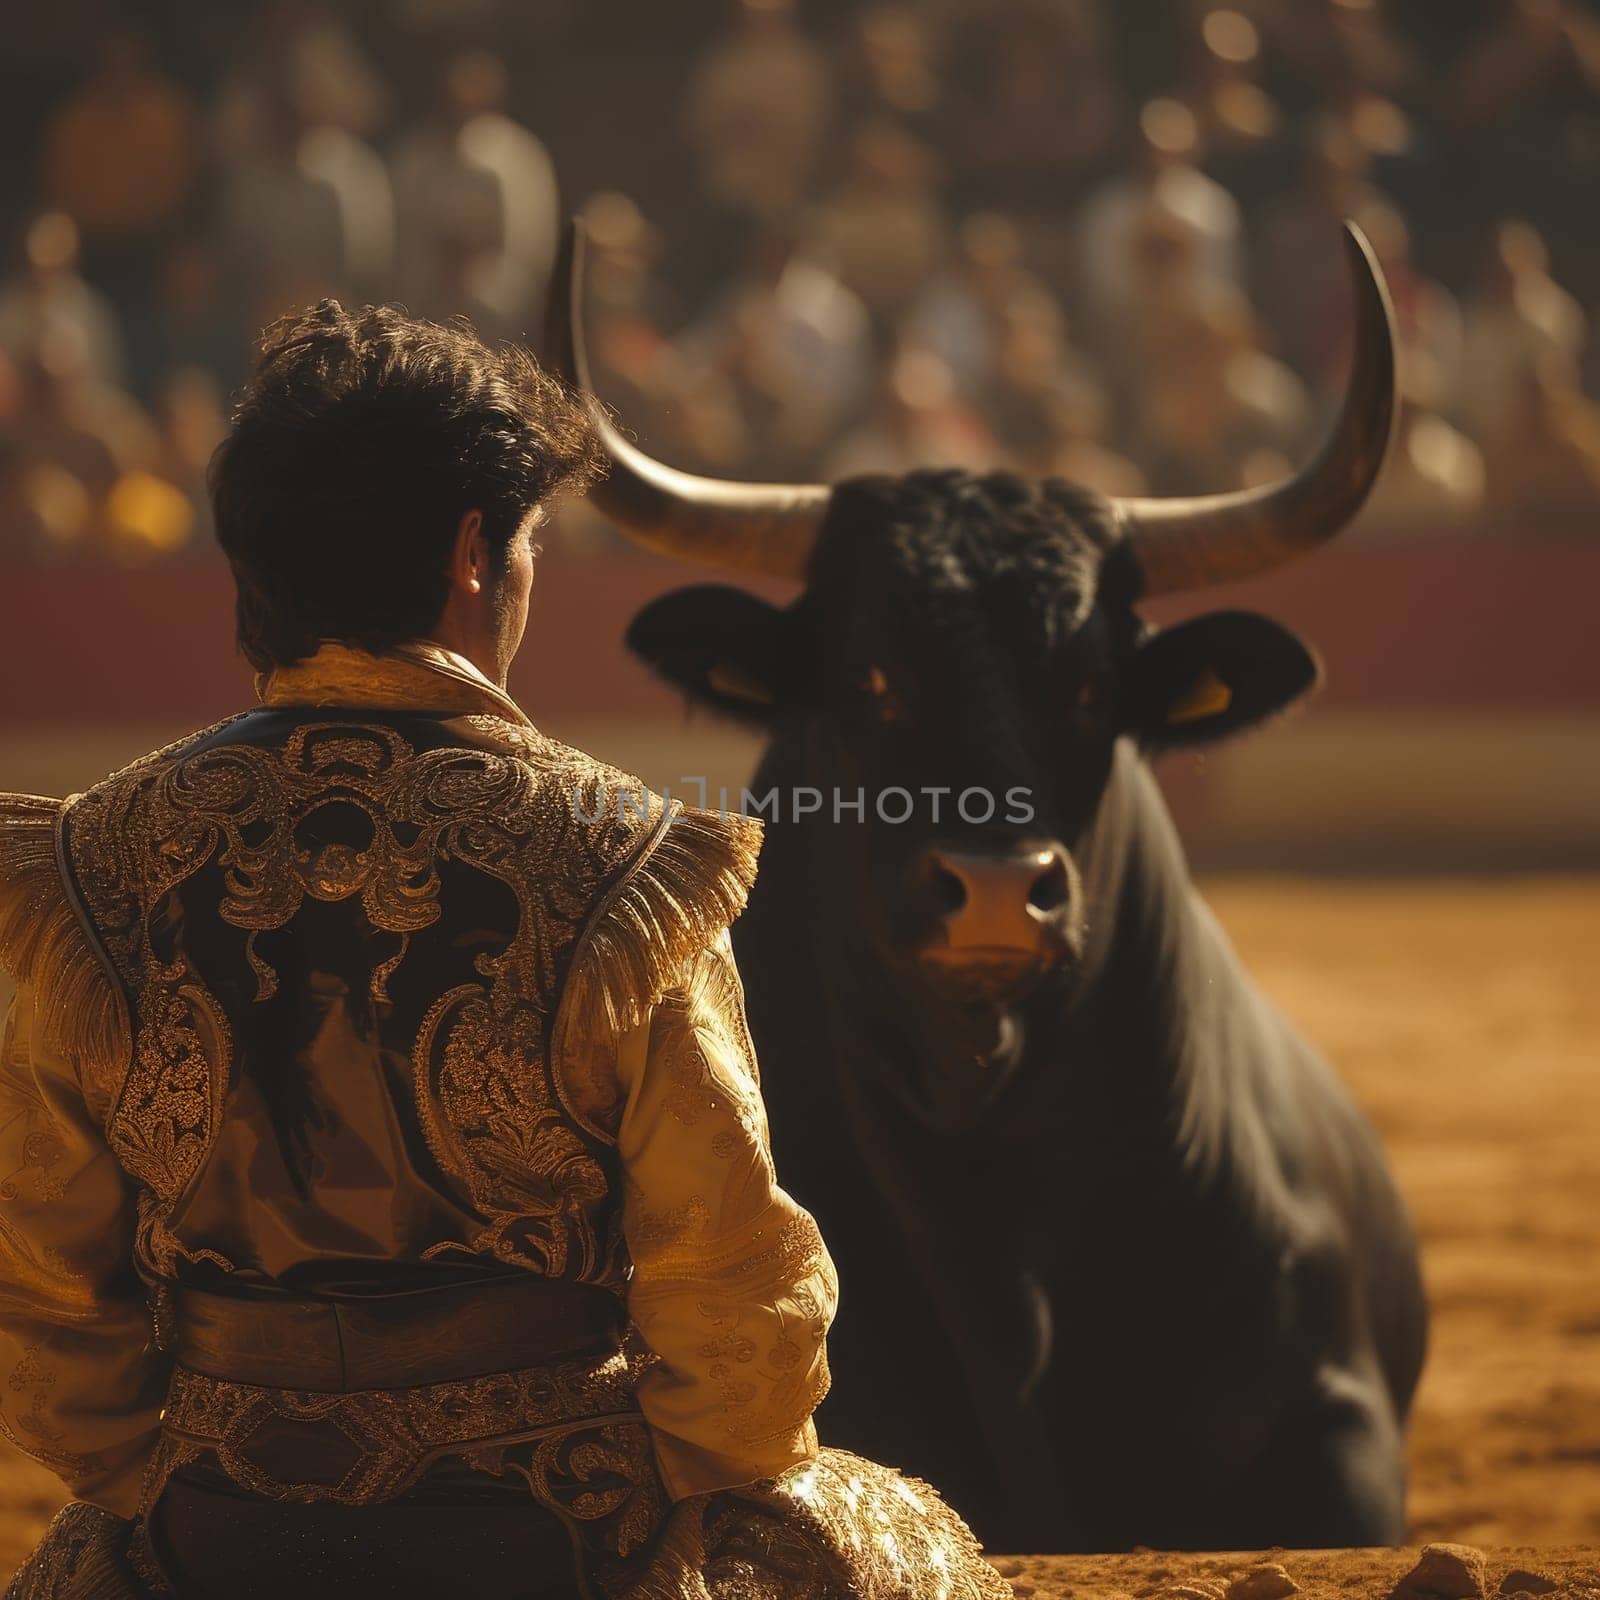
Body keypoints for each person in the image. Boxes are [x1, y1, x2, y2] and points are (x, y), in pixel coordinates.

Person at [0, 302, 1010, 1600]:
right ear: (476, 555)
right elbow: (733, 1298)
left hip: (219, 1524)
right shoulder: (621, 859)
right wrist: (694, 1509)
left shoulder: (97, 863)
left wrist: (155, 1487)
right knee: (898, 1546)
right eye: (531, 542)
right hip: (557, 1538)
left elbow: (43, 1286)